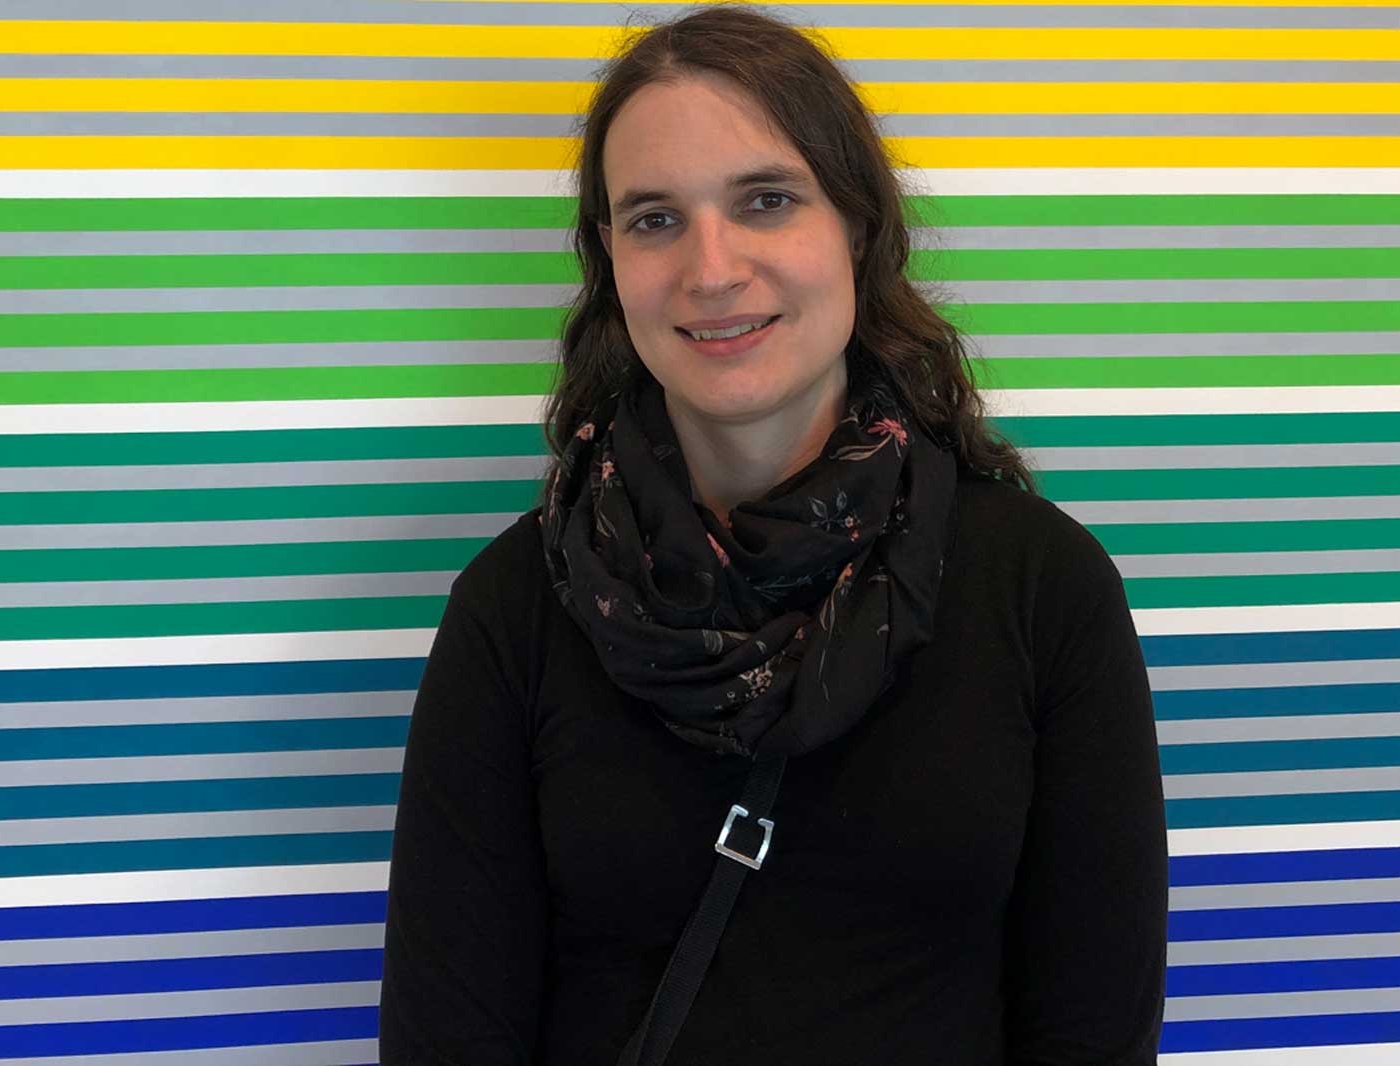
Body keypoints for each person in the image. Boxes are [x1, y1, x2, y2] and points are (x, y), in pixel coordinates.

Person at [379, 5, 1167, 1064]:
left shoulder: (1038, 586)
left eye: (764, 200)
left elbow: (1093, 1031)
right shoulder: (515, 607)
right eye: (655, 219)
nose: (711, 268)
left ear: (854, 222)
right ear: (610, 258)